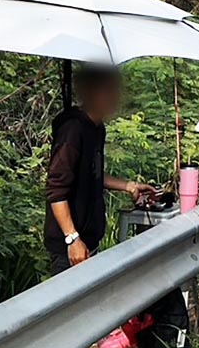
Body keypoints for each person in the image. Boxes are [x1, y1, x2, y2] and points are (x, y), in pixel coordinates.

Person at [44, 66, 156, 276]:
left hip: (89, 238)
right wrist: (72, 238)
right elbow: (55, 189)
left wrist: (128, 186)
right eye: (110, 90)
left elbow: (90, 174)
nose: (116, 97)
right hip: (70, 246)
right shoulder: (72, 130)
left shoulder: (96, 128)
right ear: (93, 93)